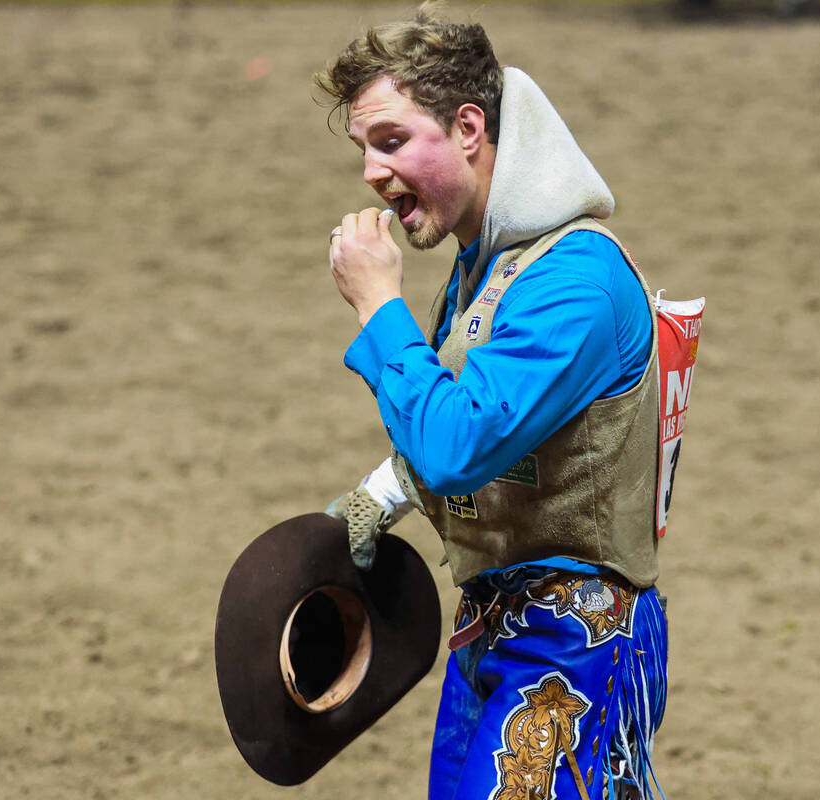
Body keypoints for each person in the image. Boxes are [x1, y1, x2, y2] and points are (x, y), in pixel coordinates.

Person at [317, 7, 669, 799]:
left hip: (578, 645)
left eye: (393, 141)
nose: (373, 172)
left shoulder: (570, 283)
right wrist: (377, 497)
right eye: (365, 150)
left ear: (469, 127)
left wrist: (380, 311)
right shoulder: (492, 266)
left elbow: (457, 444)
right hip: (496, 630)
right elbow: (481, 414)